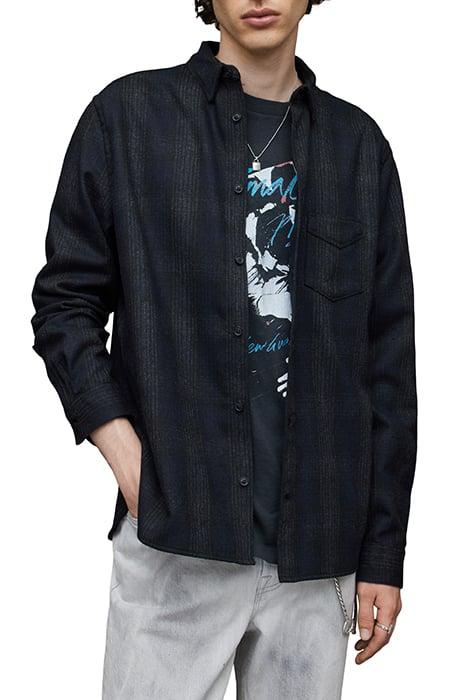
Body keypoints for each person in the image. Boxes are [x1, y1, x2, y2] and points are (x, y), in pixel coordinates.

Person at [30, 1, 418, 698]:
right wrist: (128, 460)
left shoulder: (358, 147)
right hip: (176, 533)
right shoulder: (130, 118)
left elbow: (387, 363)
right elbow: (65, 302)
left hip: (318, 550)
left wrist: (383, 554)